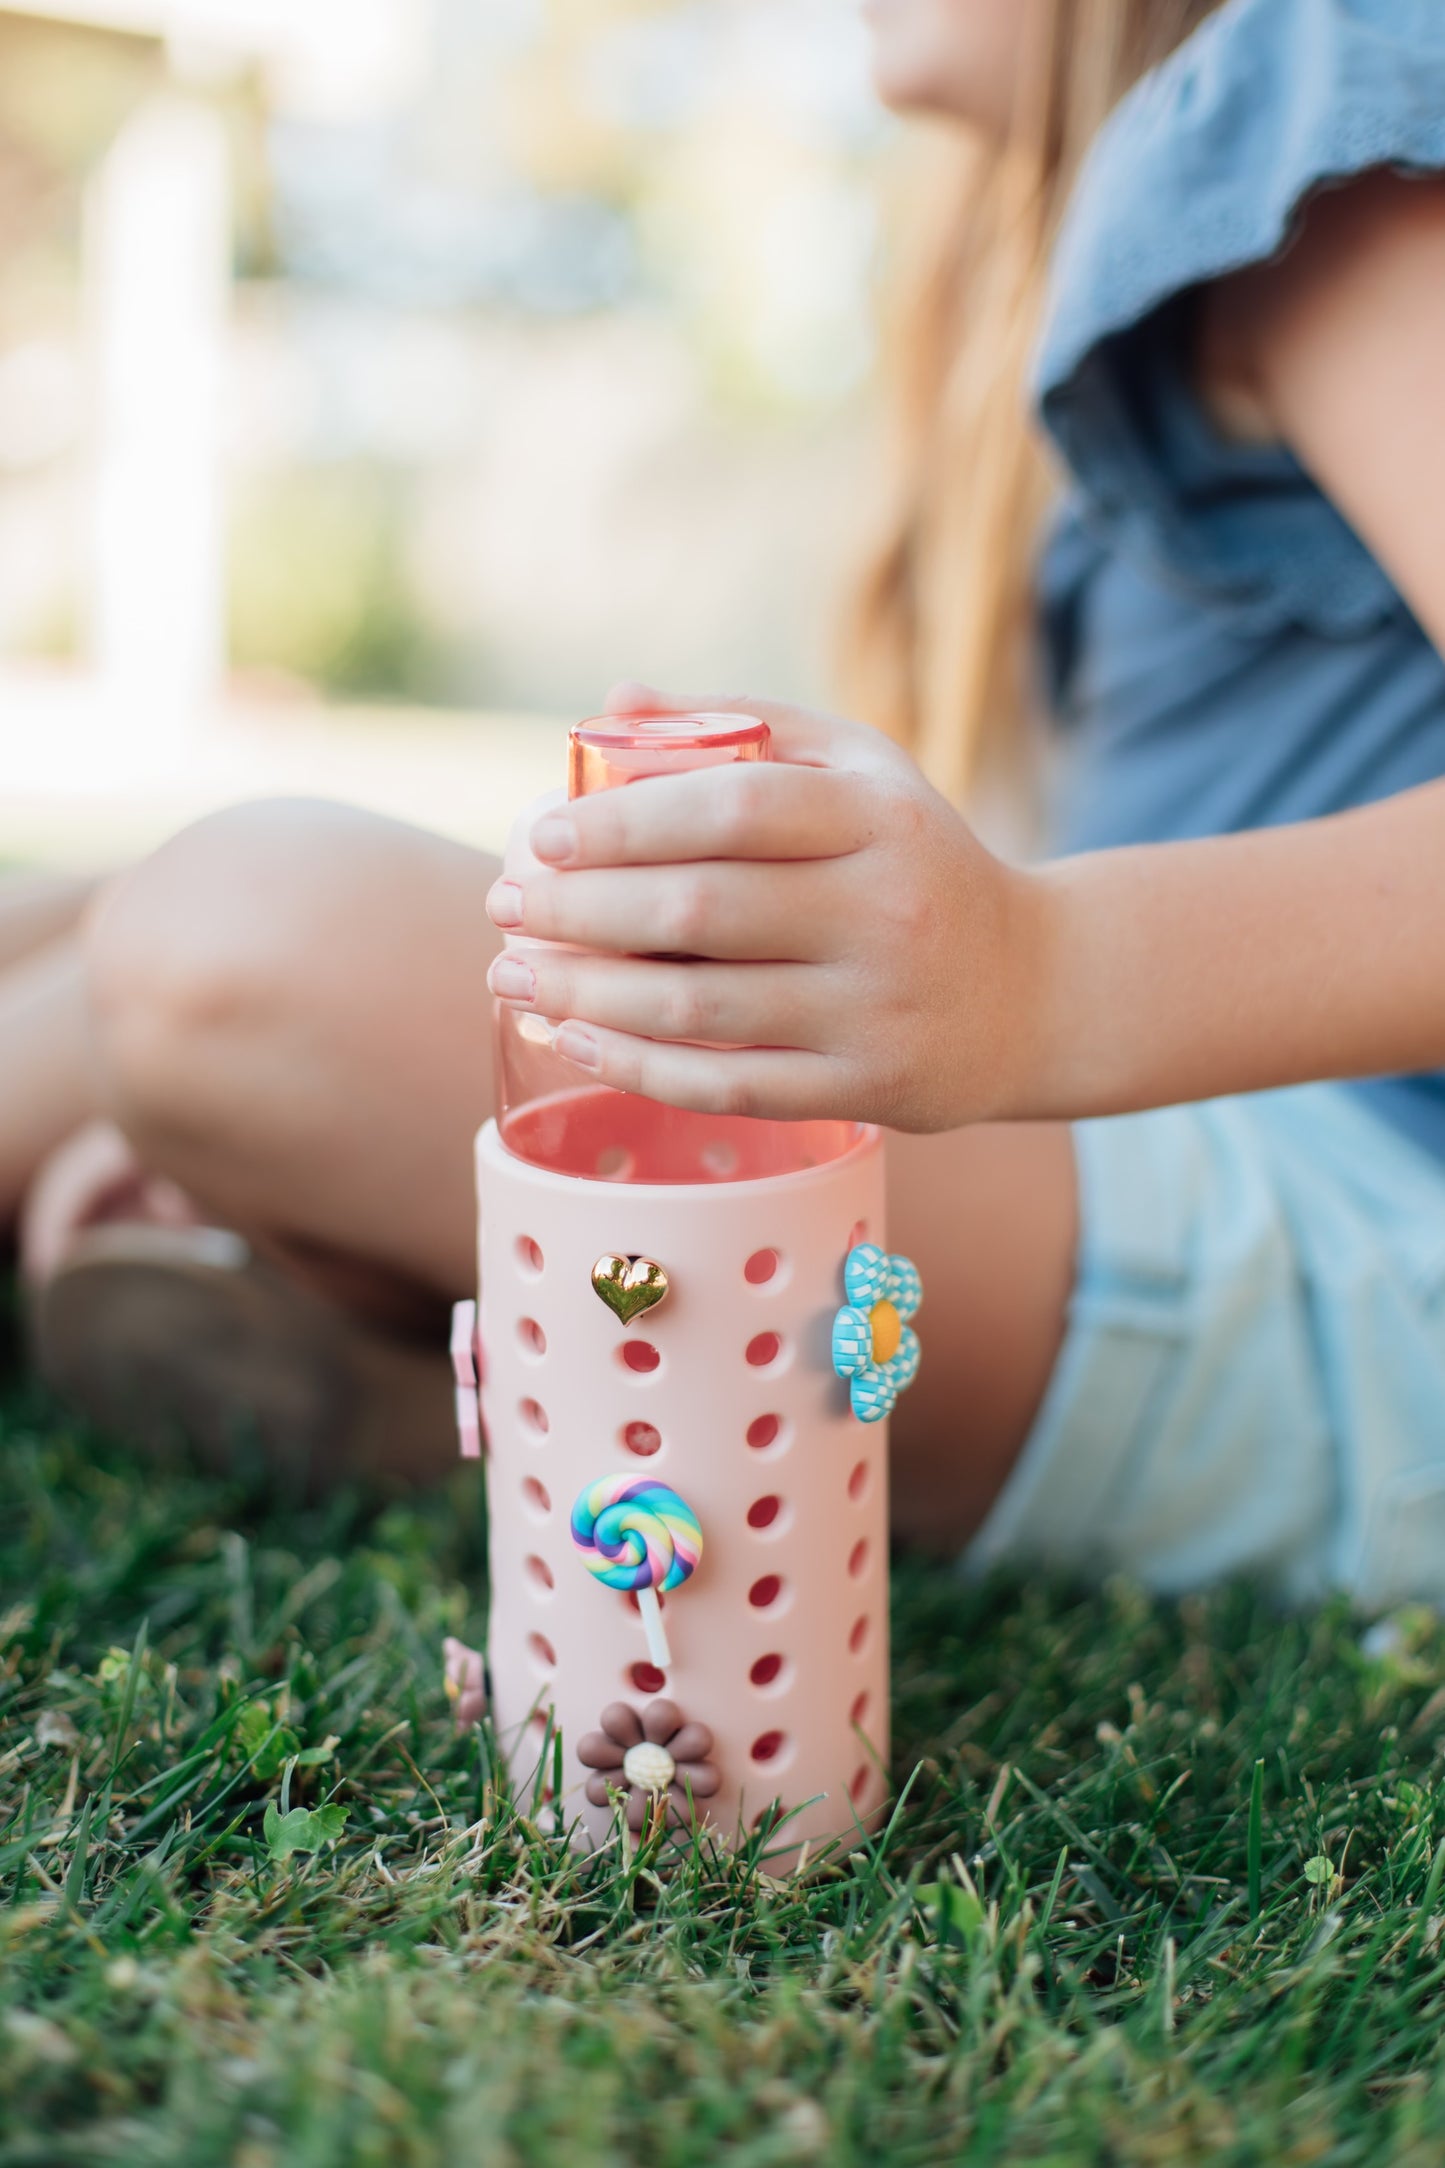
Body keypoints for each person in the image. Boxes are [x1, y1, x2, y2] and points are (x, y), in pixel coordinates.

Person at [7, 0, 1445, 1609]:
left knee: (243, 936)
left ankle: (424, 1340)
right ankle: (444, 1383)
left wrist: (1045, 973)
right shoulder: (1069, 216)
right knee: (111, 904)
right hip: (1257, 1214)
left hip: (1387, 1249)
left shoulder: (1318, 78)